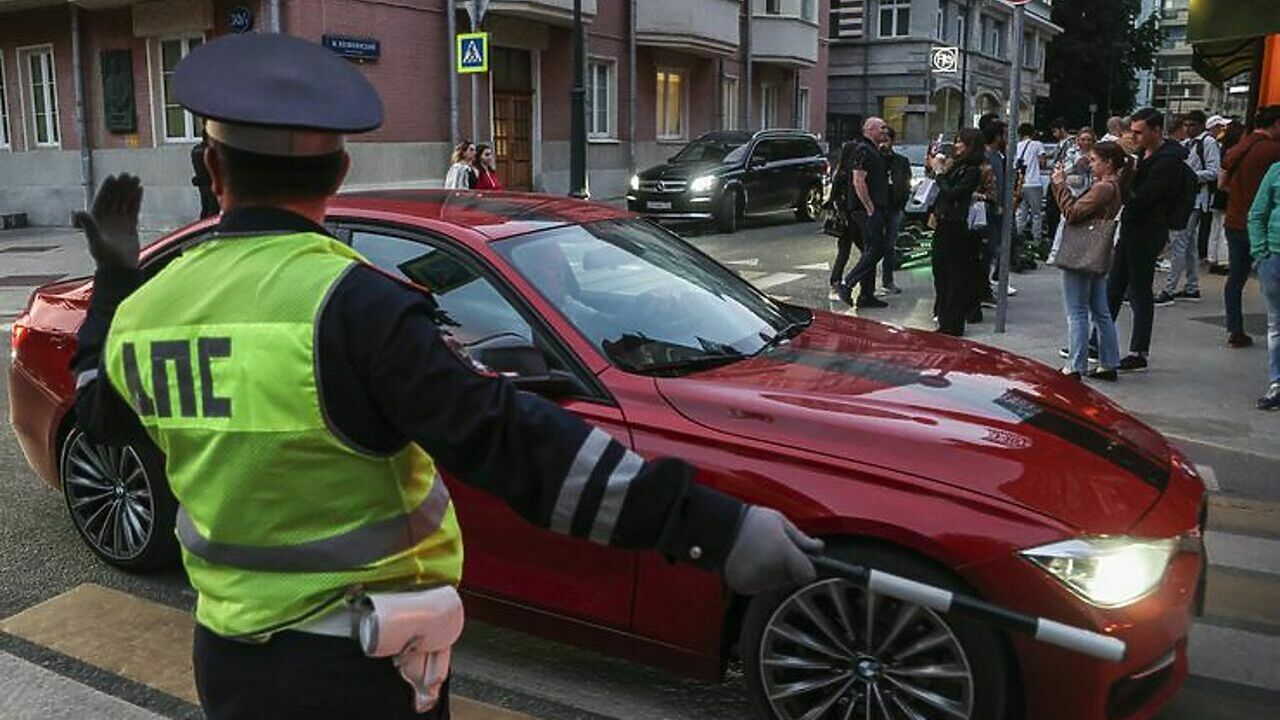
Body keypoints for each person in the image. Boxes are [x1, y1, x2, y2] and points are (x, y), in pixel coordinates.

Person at [69, 34, 820, 720]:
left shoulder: (148, 311)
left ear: (212, 167)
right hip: (359, 675)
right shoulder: (355, 306)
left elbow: (97, 413)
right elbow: (510, 441)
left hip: (227, 663)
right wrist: (712, 528)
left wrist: (112, 279)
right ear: (340, 170)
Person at [1107, 108, 1189, 372]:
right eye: (1133, 130)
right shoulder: (1142, 154)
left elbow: (1145, 197)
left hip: (1148, 230)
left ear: (1156, 130)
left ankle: (1138, 350)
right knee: (1115, 284)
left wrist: (1124, 189)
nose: (1134, 136)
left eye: (1139, 131)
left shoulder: (1168, 160)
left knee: (1139, 289)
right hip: (1132, 226)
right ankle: (1100, 340)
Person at [1051, 141, 1129, 381]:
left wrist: (1059, 186)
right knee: (1100, 310)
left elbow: (1073, 213)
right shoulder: (1114, 185)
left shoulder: (1103, 187)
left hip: (1082, 251)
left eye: (1095, 160)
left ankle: (1075, 365)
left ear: (1108, 163)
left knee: (1076, 310)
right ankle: (1108, 361)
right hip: (1099, 251)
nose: (1091, 164)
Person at [1220, 105, 1280, 349]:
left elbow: (1222, 181)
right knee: (1272, 282)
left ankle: (1234, 328)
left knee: (1235, 278)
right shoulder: (1274, 151)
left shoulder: (1239, 148)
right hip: (1264, 226)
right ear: (1276, 123)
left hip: (1235, 219)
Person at [1156, 110, 1220, 306]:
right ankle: (1191, 286)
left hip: (1195, 199)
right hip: (1185, 198)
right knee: (1188, 243)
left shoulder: (1207, 143)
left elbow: (1214, 171)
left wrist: (1189, 177)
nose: (1188, 128)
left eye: (1192, 125)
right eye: (1186, 125)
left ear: (1201, 125)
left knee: (1179, 242)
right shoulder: (1185, 144)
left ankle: (1169, 289)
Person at [930, 128, 985, 337]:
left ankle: (952, 323)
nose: (957, 146)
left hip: (956, 225)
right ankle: (944, 318)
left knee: (953, 275)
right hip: (944, 223)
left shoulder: (972, 170)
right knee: (940, 273)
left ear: (970, 146)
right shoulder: (958, 165)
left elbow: (952, 193)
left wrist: (940, 174)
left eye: (961, 142)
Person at [833, 116, 892, 309]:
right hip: (865, 211)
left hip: (868, 209)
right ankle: (848, 284)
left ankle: (866, 295)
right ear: (870, 130)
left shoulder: (873, 150)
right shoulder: (864, 150)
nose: (886, 131)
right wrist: (870, 208)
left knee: (869, 251)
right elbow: (858, 180)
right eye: (882, 128)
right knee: (876, 248)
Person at [1250, 160, 1280, 410]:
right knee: (1276, 323)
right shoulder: (1276, 171)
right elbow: (1257, 212)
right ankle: (1277, 382)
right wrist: (1261, 252)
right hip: (1274, 257)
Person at [978, 119, 1008, 308]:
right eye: (1004, 134)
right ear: (997, 136)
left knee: (993, 249)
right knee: (987, 251)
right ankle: (982, 290)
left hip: (997, 210)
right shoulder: (987, 157)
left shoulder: (999, 156)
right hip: (988, 210)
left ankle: (985, 287)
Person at [1205, 116, 1241, 275]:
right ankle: (1224, 261)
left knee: (1215, 227)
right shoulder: (1234, 151)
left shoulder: (1222, 148)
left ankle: (1212, 257)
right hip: (1228, 193)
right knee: (1225, 228)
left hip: (1217, 193)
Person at [879, 126, 911, 295]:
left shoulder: (901, 161)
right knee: (873, 246)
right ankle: (866, 284)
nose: (883, 144)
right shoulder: (875, 158)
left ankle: (888, 280)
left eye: (886, 140)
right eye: (881, 140)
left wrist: (902, 202)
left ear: (892, 141)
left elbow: (906, 183)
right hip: (877, 208)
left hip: (894, 207)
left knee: (890, 245)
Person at [1014, 123, 1045, 256]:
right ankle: (1037, 241)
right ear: (1032, 133)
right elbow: (1042, 163)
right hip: (1034, 183)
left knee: (1021, 213)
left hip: (1021, 184)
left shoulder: (1017, 146)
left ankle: (1017, 239)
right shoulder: (1037, 144)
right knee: (1036, 214)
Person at [191, 132, 220, 219]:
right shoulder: (209, 151)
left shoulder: (196, 150)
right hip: (210, 184)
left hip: (203, 185)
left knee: (206, 207)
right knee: (212, 209)